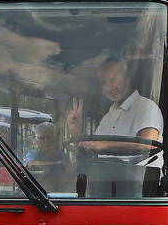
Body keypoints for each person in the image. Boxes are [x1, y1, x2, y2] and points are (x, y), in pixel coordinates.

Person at [66, 58, 162, 196]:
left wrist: (104, 146)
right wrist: (75, 131)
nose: (108, 88)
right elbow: (91, 150)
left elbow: (148, 145)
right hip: (106, 185)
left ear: (127, 76)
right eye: (103, 83)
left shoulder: (146, 107)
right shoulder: (109, 116)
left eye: (113, 80)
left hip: (140, 189)